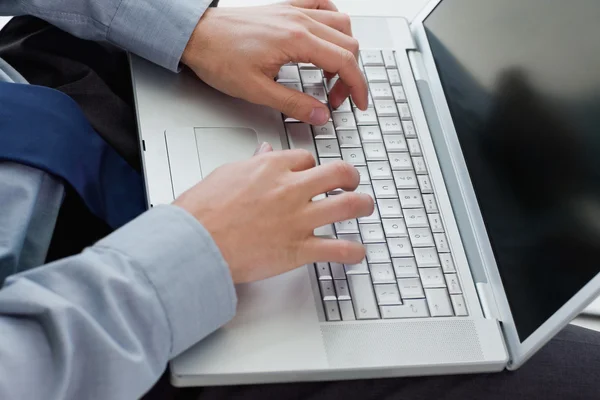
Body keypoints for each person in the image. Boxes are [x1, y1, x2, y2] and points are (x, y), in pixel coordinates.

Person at [0, 1, 598, 400]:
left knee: (437, 104)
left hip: (56, 89)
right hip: (100, 317)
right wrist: (196, 247)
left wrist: (181, 25)